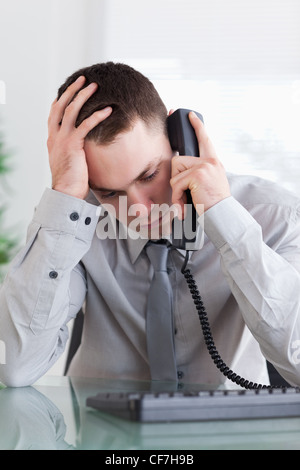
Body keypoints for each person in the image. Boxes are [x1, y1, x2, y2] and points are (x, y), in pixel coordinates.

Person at [1, 61, 300, 388]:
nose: (140, 211)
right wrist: (65, 197)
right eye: (110, 193)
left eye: (149, 175)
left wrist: (223, 216)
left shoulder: (276, 216)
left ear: (180, 140)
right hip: (102, 435)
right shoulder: (76, 225)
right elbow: (18, 368)